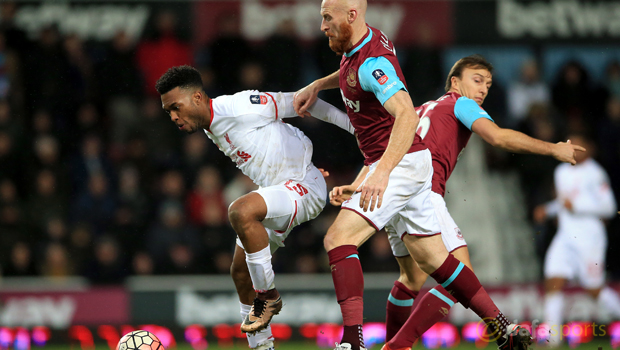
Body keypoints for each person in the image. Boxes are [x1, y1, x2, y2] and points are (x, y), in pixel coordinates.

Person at [293, 1, 565, 348]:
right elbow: (361, 89)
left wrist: (380, 173)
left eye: (326, 18)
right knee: (431, 264)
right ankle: (500, 329)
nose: (321, 26)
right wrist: (320, 85)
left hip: (402, 167)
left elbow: (405, 116)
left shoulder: (384, 69)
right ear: (455, 81)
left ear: (351, 17)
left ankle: (355, 343)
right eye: (477, 81)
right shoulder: (363, 47)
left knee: (339, 240)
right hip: (411, 169)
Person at [329, 54, 585, 350]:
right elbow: (498, 137)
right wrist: (553, 149)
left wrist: (357, 186)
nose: (483, 90)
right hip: (421, 191)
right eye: (477, 81)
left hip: (391, 188)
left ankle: (393, 343)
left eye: (488, 85)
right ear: (455, 82)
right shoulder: (460, 103)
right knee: (460, 276)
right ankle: (411, 343)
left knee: (411, 277)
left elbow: (384, 149)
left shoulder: (417, 109)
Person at [155, 65, 355, 350]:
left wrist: (354, 129)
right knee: (239, 272)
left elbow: (303, 100)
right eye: (168, 111)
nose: (173, 116)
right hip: (280, 190)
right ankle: (262, 347)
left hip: (303, 186)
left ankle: (268, 296)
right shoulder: (211, 126)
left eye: (176, 106)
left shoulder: (239, 107)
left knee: (240, 211)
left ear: (197, 98)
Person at [533, 133, 620, 347]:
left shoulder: (595, 173)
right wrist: (549, 209)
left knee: (594, 289)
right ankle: (552, 337)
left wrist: (578, 208)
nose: (572, 149)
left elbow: (609, 207)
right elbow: (565, 202)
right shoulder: (561, 171)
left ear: (588, 149)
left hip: (589, 238)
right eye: (569, 145)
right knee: (553, 281)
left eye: (577, 146)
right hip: (565, 236)